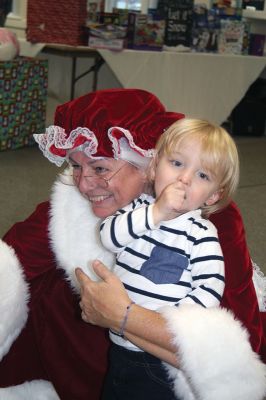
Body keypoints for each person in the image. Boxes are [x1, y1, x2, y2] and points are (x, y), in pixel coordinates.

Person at [0, 89, 265, 400]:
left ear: (146, 164)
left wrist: (123, 316)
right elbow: (11, 257)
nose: (84, 184)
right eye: (75, 166)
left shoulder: (209, 218)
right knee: (49, 286)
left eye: (100, 168)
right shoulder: (70, 203)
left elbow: (236, 347)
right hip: (108, 361)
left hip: (168, 374)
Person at [98, 118, 239, 399]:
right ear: (154, 167)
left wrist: (171, 326)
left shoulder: (201, 233)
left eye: (203, 176)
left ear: (212, 196)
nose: (184, 178)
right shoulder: (138, 210)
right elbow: (108, 237)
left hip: (159, 360)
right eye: (176, 163)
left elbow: (210, 288)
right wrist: (156, 213)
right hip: (118, 348)